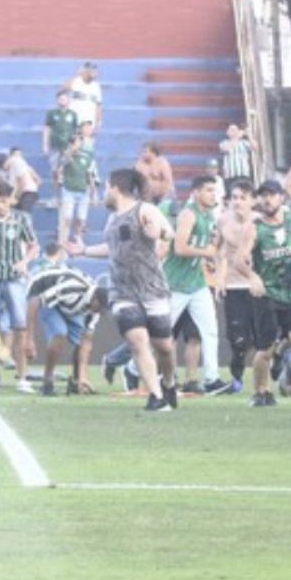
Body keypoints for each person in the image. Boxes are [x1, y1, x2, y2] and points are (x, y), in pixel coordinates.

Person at [75, 168, 179, 412]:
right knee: (138, 341)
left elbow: (168, 232)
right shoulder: (111, 220)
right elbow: (112, 248)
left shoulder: (145, 210)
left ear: (115, 188)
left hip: (152, 288)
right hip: (122, 292)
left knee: (164, 347)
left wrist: (159, 232)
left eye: (105, 188)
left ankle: (169, 383)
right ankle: (155, 396)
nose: (103, 193)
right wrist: (84, 251)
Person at [160, 175, 233, 395]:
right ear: (196, 193)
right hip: (176, 284)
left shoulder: (209, 215)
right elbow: (180, 248)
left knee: (210, 331)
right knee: (161, 332)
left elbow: (209, 247)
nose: (214, 194)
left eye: (214, 190)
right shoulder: (188, 214)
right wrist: (206, 253)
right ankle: (134, 370)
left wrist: (212, 259)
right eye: (209, 190)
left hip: (197, 283)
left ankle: (212, 379)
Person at [247, 180, 291, 406]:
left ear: (281, 197)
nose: (266, 199)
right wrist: (252, 276)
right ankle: (261, 392)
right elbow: (240, 258)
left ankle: (283, 354)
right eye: (262, 196)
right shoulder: (255, 227)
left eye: (271, 194)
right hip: (267, 293)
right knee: (265, 348)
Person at [0, 181, 39, 393]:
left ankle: (22, 378)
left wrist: (24, 262)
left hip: (14, 277)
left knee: (20, 327)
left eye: (4, 201)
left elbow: (33, 246)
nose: (0, 205)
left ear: (11, 200)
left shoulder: (21, 219)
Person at [28, 250, 106, 396]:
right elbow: (35, 302)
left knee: (80, 339)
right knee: (60, 333)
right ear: (94, 299)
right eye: (99, 308)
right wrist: (29, 339)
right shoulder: (72, 288)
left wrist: (84, 376)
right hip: (41, 290)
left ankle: (77, 381)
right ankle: (47, 381)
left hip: (67, 304)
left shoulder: (95, 308)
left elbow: (86, 341)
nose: (99, 313)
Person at [215, 179, 258, 395]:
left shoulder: (261, 221)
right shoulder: (223, 221)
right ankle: (237, 377)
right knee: (238, 339)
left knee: (263, 338)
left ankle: (276, 365)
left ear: (252, 200)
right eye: (234, 197)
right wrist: (219, 279)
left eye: (242, 197)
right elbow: (219, 251)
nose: (238, 202)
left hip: (257, 285)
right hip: (233, 285)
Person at [57, 121, 98, 244]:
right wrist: (71, 151)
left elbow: (90, 174)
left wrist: (93, 193)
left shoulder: (87, 156)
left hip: (83, 190)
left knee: (81, 217)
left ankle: (78, 236)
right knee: (67, 216)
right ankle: (63, 238)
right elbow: (62, 164)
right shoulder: (66, 155)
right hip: (69, 189)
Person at [135, 142, 174, 209]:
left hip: (163, 193)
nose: (142, 154)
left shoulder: (162, 163)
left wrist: (160, 193)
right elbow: (136, 180)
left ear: (153, 153)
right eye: (142, 152)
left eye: (145, 152)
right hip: (146, 194)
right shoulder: (140, 164)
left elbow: (168, 182)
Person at [67, 62, 103, 131]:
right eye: (92, 71)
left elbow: (98, 106)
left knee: (87, 141)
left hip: (88, 124)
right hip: (74, 121)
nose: (95, 73)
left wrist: (99, 122)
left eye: (96, 71)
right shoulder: (76, 81)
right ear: (86, 71)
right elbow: (64, 89)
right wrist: (77, 75)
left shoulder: (96, 87)